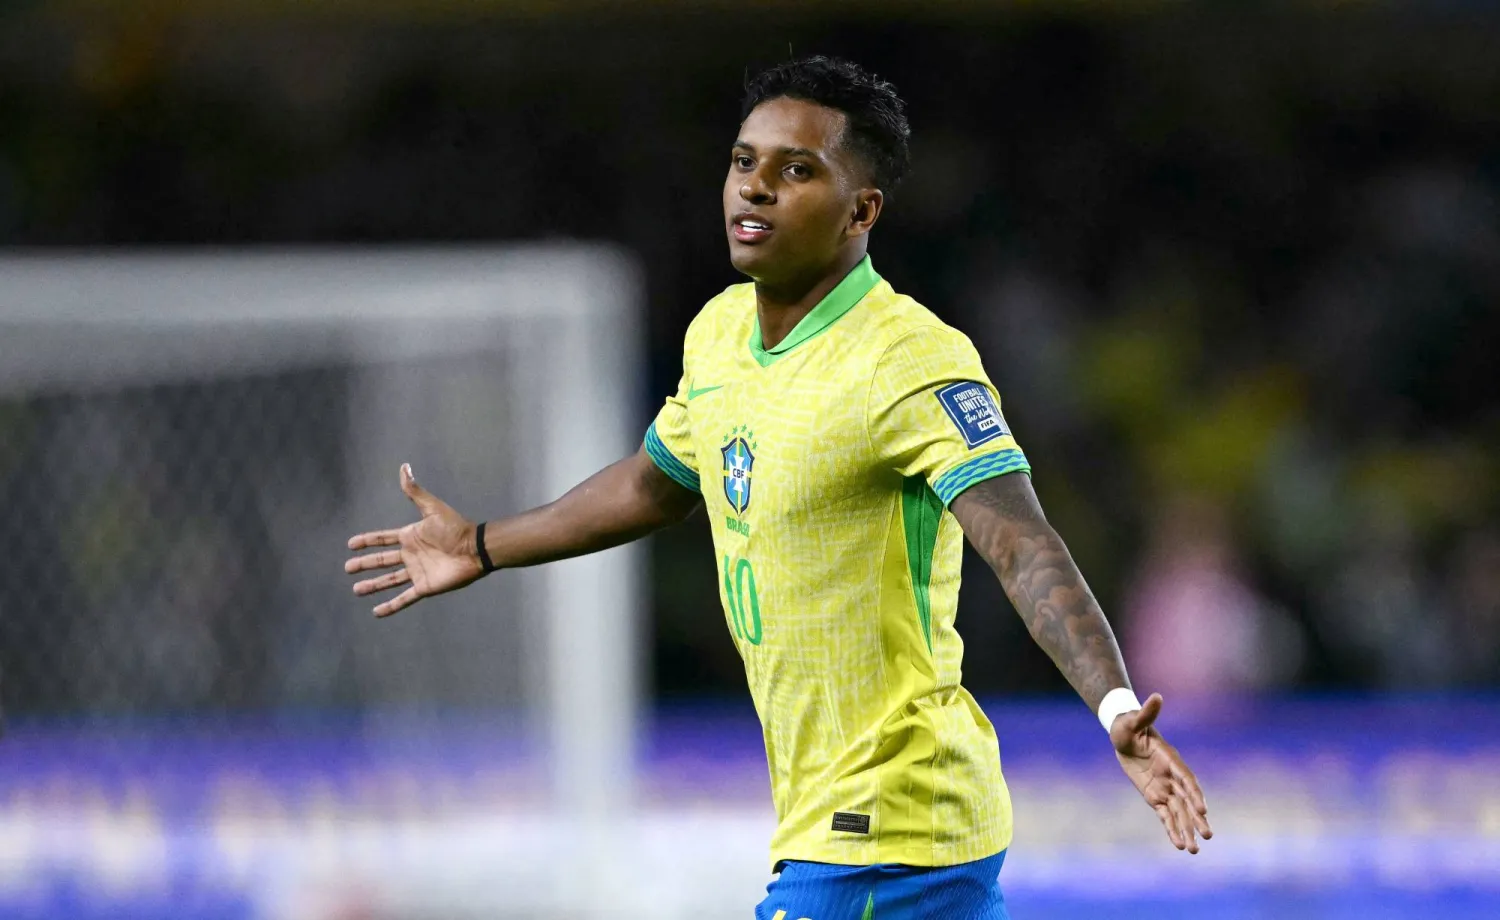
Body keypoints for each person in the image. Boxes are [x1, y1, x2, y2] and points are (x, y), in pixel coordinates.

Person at [344, 56, 1210, 920]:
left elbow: (1022, 543)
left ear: (861, 211)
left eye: (797, 170)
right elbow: (656, 483)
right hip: (845, 819)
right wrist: (483, 545)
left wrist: (1115, 705)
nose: (754, 188)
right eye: (743, 161)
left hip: (886, 825)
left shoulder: (907, 357)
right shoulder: (720, 334)